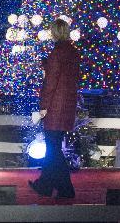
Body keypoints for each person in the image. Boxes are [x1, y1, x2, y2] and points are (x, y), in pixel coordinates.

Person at [29, 18, 81, 199]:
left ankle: (64, 188)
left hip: (55, 106)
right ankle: (47, 185)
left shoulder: (56, 53)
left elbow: (50, 83)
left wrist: (44, 106)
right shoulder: (73, 53)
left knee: (53, 148)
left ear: (54, 33)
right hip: (67, 104)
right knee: (54, 147)